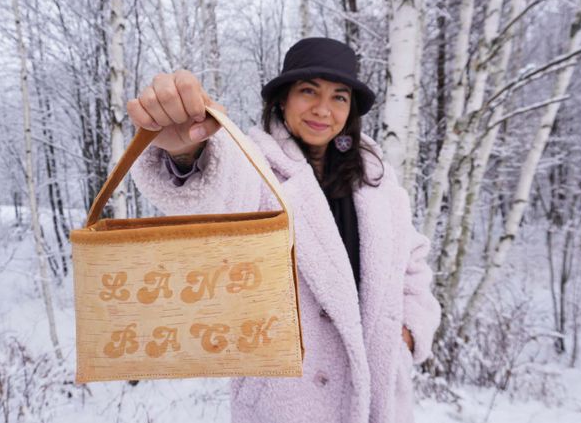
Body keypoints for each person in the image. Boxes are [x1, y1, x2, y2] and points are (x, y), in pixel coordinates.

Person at [127, 37, 441, 423]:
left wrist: (407, 334)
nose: (324, 109)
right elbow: (222, 193)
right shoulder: (256, 164)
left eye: (340, 97)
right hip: (287, 403)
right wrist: (186, 152)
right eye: (308, 91)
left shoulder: (376, 178)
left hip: (378, 394)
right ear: (281, 99)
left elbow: (411, 263)